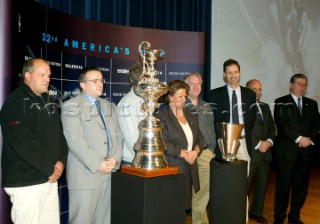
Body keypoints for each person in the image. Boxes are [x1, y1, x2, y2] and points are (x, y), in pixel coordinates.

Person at [0, 58, 68, 224]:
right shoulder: (15, 103)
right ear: (28, 76)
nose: (47, 79)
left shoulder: (48, 102)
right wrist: (50, 169)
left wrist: (60, 163)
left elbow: (60, 136)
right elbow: (22, 143)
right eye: (42, 74)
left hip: (49, 179)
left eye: (49, 75)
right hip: (27, 182)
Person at [61, 67, 123, 224]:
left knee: (104, 220)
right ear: (83, 84)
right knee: (82, 220)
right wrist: (98, 164)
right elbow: (75, 141)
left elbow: (118, 137)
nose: (100, 84)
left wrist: (115, 159)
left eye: (101, 80)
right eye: (95, 81)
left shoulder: (110, 106)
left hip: (108, 173)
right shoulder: (71, 106)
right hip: (85, 175)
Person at [273, 73, 320, 224]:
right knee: (283, 187)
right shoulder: (281, 102)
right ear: (291, 85)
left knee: (300, 188)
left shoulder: (312, 104)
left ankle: (294, 216)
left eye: (305, 85)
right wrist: (299, 138)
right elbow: (281, 124)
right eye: (299, 84)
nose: (302, 87)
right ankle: (279, 217)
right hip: (287, 153)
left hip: (305, 153)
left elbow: (316, 124)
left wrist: (308, 140)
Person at [155, 79, 206, 213]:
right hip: (172, 169)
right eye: (180, 96)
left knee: (183, 208)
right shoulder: (161, 115)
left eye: (185, 96)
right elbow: (162, 142)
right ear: (170, 97)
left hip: (189, 168)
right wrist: (184, 154)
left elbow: (200, 138)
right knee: (171, 210)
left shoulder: (190, 113)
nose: (184, 100)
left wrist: (195, 152)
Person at [208, 59, 256, 162]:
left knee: (243, 176)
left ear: (239, 73)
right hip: (223, 144)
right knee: (226, 176)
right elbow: (212, 121)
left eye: (235, 72)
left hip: (243, 142)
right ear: (224, 74)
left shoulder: (250, 94)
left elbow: (252, 119)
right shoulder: (215, 94)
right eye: (229, 72)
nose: (233, 76)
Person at [184, 73, 216, 224]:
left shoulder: (207, 106)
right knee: (184, 195)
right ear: (185, 86)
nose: (196, 87)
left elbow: (211, 131)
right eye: (192, 83)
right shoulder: (179, 106)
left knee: (202, 194)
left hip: (204, 155)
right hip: (185, 157)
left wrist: (212, 150)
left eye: (199, 84)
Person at [246, 79, 276, 224]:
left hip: (265, 153)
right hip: (251, 152)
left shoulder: (265, 107)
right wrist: (258, 144)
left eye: (259, 89)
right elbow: (244, 130)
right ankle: (240, 213)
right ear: (247, 90)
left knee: (262, 185)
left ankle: (256, 212)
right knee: (244, 187)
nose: (257, 92)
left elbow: (272, 128)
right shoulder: (242, 107)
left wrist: (269, 142)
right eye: (254, 89)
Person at [117, 62, 146, 165]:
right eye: (148, 76)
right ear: (139, 78)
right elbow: (131, 137)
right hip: (134, 160)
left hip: (146, 157)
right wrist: (143, 158)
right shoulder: (127, 103)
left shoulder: (146, 100)